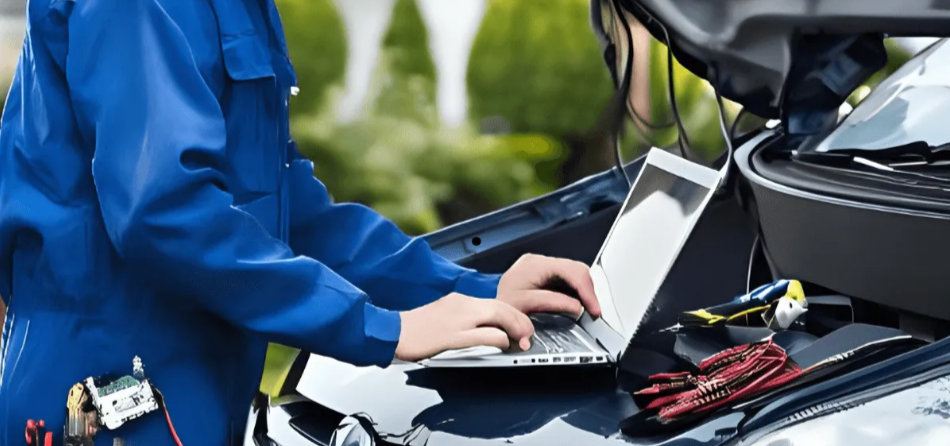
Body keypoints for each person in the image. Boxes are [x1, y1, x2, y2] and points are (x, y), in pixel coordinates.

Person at [0, 0, 603, 445]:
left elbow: (285, 209)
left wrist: (475, 292)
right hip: (108, 394)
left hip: (195, 383)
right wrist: (379, 329)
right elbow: (165, 213)